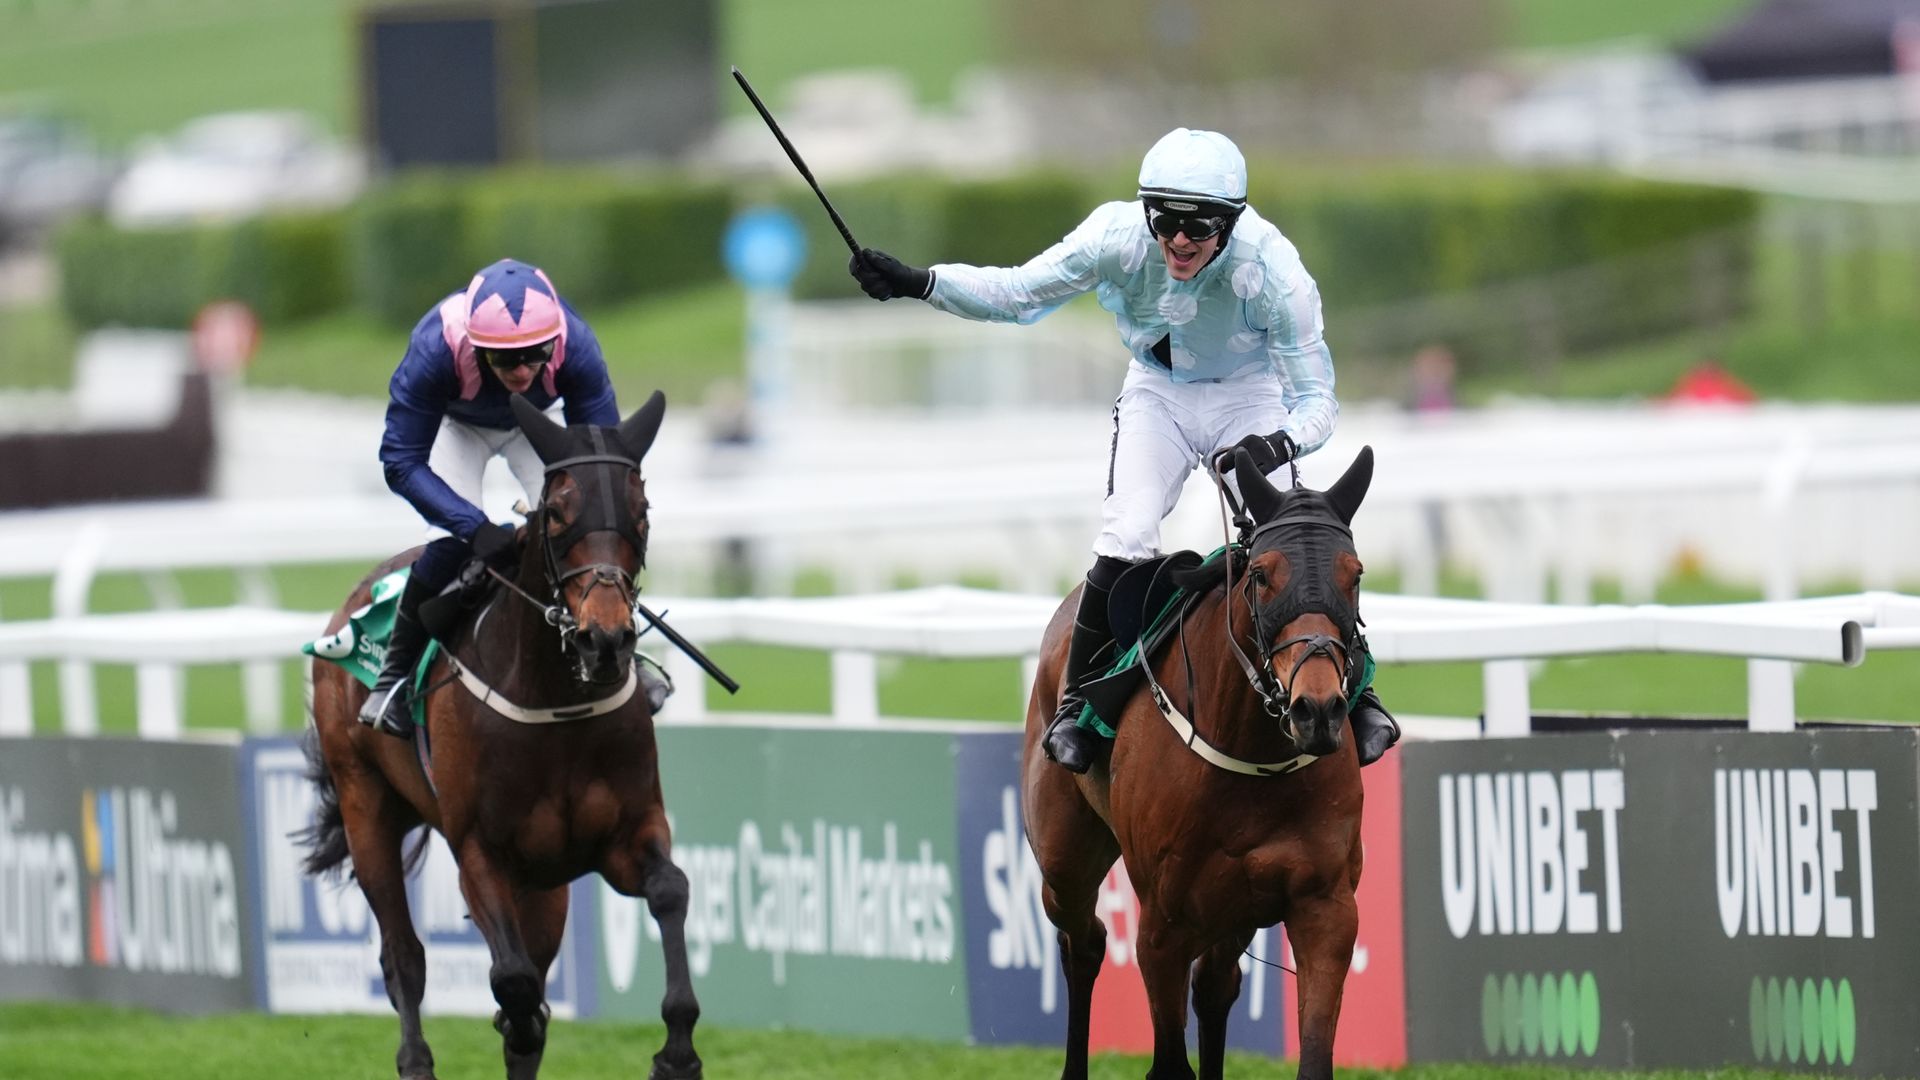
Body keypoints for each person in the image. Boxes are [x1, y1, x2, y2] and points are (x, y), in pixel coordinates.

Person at [848, 127, 1399, 773]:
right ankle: (1078, 710)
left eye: (1200, 226)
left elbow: (1317, 401)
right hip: (1157, 393)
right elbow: (1020, 294)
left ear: (1231, 222)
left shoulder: (1277, 271)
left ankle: (1360, 699)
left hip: (1250, 396)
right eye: (1166, 221)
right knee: (1127, 533)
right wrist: (922, 282)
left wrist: (1278, 441)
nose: (1180, 240)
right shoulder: (1115, 236)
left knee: (1294, 539)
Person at [359, 258, 623, 738]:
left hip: (537, 421)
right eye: (504, 359)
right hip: (457, 426)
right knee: (450, 544)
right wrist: (473, 528)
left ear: (554, 341)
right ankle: (392, 679)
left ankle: (626, 654)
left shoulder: (576, 345)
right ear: (477, 348)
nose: (521, 370)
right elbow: (400, 460)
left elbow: (605, 461)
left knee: (594, 529)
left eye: (536, 354)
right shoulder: (435, 348)